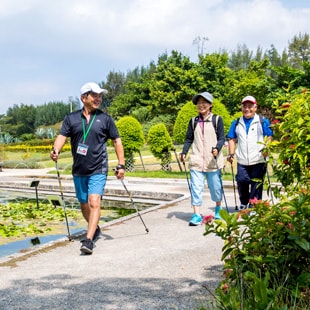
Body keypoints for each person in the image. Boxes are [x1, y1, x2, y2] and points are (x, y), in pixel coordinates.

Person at [50, 82, 125, 255]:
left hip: (98, 168)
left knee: (94, 202)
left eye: (100, 96)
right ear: (83, 98)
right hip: (79, 170)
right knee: (84, 204)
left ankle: (89, 240)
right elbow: (62, 137)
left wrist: (121, 164)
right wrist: (55, 150)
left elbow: (116, 141)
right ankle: (95, 227)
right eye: (94, 95)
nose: (98, 99)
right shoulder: (71, 118)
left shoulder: (105, 119)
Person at [180, 91, 225, 225]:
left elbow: (222, 138)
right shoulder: (193, 121)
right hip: (197, 160)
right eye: (199, 103)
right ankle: (197, 214)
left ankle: (218, 208)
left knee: (215, 187)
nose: (201, 105)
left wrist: (217, 147)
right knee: (196, 188)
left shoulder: (217, 120)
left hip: (213, 161)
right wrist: (184, 152)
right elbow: (189, 139)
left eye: (204, 102)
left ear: (210, 105)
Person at [226, 95, 273, 210]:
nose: (247, 109)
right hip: (242, 159)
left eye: (250, 106)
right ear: (241, 108)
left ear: (255, 108)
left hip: (258, 158)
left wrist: (266, 148)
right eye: (245, 106)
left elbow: (269, 135)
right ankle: (244, 201)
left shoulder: (262, 121)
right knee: (242, 181)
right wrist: (231, 154)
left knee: (256, 184)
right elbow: (231, 138)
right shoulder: (236, 122)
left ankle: (254, 206)